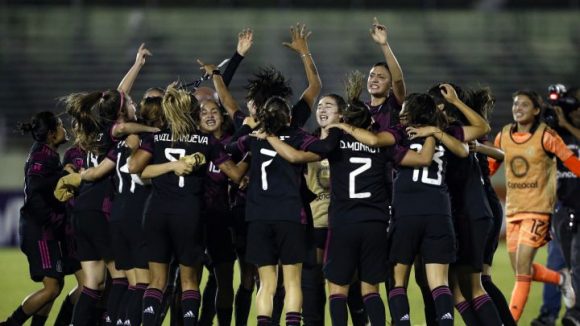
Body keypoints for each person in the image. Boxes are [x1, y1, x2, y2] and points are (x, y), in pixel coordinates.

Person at [129, 85, 245, 326]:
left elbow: (133, 167)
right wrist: (251, 156)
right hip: (188, 213)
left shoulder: (156, 137)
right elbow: (234, 175)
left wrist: (169, 166)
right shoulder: (205, 141)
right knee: (189, 281)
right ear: (192, 114)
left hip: (156, 212)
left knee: (157, 282)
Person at [488, 90, 580, 322]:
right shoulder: (504, 136)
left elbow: (572, 163)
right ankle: (561, 279)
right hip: (513, 210)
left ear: (536, 110)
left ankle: (509, 321)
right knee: (521, 269)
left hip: (538, 210)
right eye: (516, 104)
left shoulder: (546, 136)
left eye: (525, 105)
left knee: (521, 273)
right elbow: (490, 168)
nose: (518, 108)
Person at [1, 112, 69, 326]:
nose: (64, 129)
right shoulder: (41, 156)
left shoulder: (47, 153)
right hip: (39, 230)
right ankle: (10, 323)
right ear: (51, 134)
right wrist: (55, 218)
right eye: (59, 125)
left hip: (43, 229)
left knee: (56, 285)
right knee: (51, 288)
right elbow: (34, 190)